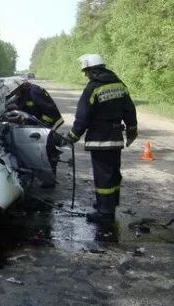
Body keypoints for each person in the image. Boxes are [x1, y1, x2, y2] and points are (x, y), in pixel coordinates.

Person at [67, 54, 137, 224]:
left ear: (92, 70)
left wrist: (72, 137)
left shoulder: (93, 88)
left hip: (99, 140)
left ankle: (105, 212)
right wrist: (132, 131)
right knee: (113, 173)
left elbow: (83, 117)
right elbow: (130, 110)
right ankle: (110, 203)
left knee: (103, 176)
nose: (86, 75)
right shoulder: (120, 85)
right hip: (116, 139)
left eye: (86, 72)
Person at [4, 80, 64, 188]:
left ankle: (49, 181)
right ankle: (36, 175)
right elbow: (20, 106)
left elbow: (50, 112)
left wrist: (42, 125)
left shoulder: (34, 91)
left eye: (15, 91)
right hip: (36, 124)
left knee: (47, 150)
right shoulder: (22, 93)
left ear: (20, 87)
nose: (14, 94)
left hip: (49, 122)